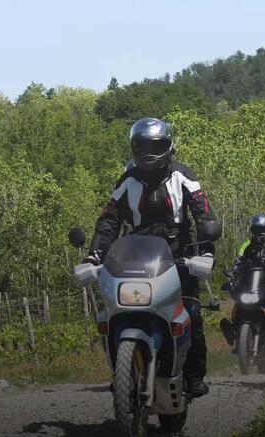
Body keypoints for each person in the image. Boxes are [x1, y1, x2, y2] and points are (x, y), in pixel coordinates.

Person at [85, 117, 220, 397]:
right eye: (141, 146)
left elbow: (203, 213)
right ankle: (122, 372)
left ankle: (193, 376)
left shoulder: (184, 176)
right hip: (136, 257)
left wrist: (206, 251)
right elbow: (109, 220)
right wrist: (94, 255)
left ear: (169, 146)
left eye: (154, 145)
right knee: (114, 313)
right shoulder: (127, 180)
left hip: (178, 256)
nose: (147, 152)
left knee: (191, 312)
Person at [227, 214, 265, 289]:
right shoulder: (246, 245)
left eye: (263, 229)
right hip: (249, 283)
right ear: (252, 230)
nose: (260, 232)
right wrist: (233, 276)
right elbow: (239, 262)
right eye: (256, 229)